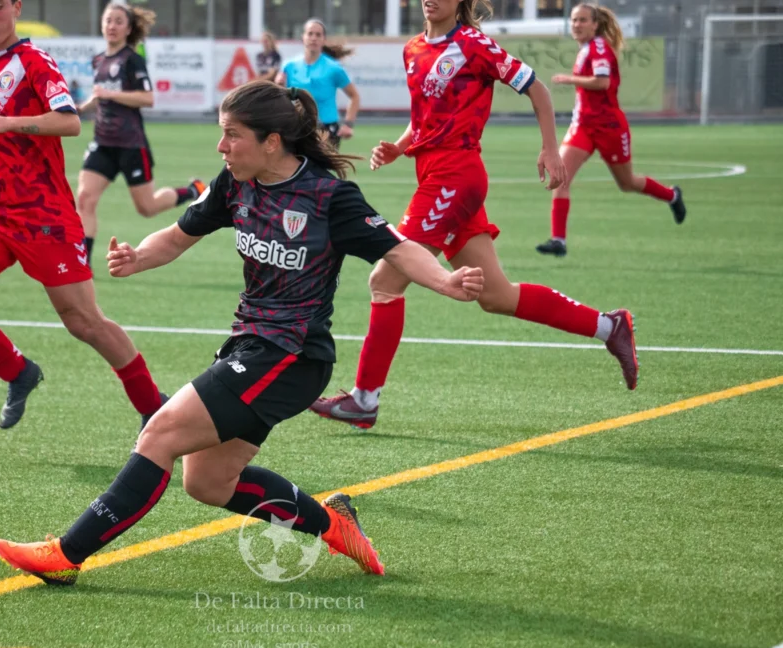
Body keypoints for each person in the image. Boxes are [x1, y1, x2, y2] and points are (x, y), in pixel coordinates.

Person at [0, 80, 486, 585]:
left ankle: (66, 554)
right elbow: (178, 236)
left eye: (232, 135)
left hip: (292, 354)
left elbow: (399, 249)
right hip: (252, 345)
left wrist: (445, 281)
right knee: (207, 482)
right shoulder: (235, 184)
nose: (221, 146)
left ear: (271, 142)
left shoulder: (329, 197)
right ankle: (332, 524)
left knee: (159, 432)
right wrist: (139, 257)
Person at [309, 0, 641, 432]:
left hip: (455, 176)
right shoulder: (413, 48)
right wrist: (399, 147)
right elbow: (423, 117)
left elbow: (537, 89)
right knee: (497, 295)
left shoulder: (473, 44)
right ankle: (609, 327)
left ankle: (364, 400)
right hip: (437, 174)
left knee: (385, 280)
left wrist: (550, 148)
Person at [0, 0, 166, 430]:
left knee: (84, 323)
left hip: (44, 216)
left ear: (16, 8)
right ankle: (19, 372)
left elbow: (70, 122)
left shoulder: (33, 60)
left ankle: (153, 406)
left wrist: (7, 122)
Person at [535, 4, 686, 258]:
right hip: (583, 127)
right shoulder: (585, 49)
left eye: (583, 20)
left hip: (610, 128)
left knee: (627, 183)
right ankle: (558, 240)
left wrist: (569, 79)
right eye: (574, 20)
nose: (577, 25)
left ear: (595, 25)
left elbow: (602, 82)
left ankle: (672, 195)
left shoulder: (599, 48)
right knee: (561, 177)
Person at [76, 3, 206, 260]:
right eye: (108, 20)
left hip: (131, 144)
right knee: (84, 198)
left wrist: (110, 94)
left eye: (118, 21)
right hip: (103, 142)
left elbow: (147, 98)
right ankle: (83, 265)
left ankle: (194, 190)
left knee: (147, 208)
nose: (112, 26)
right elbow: (100, 97)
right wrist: (81, 107)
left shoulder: (132, 59)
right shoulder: (98, 60)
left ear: (128, 29)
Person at [276, 18, 359, 149]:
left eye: (318, 35)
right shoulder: (289, 66)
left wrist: (348, 124)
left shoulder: (334, 68)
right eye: (310, 34)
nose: (313, 38)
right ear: (303, 37)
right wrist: (278, 85)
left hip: (326, 128)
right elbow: (281, 97)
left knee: (322, 163)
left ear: (324, 39)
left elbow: (354, 96)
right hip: (297, 127)